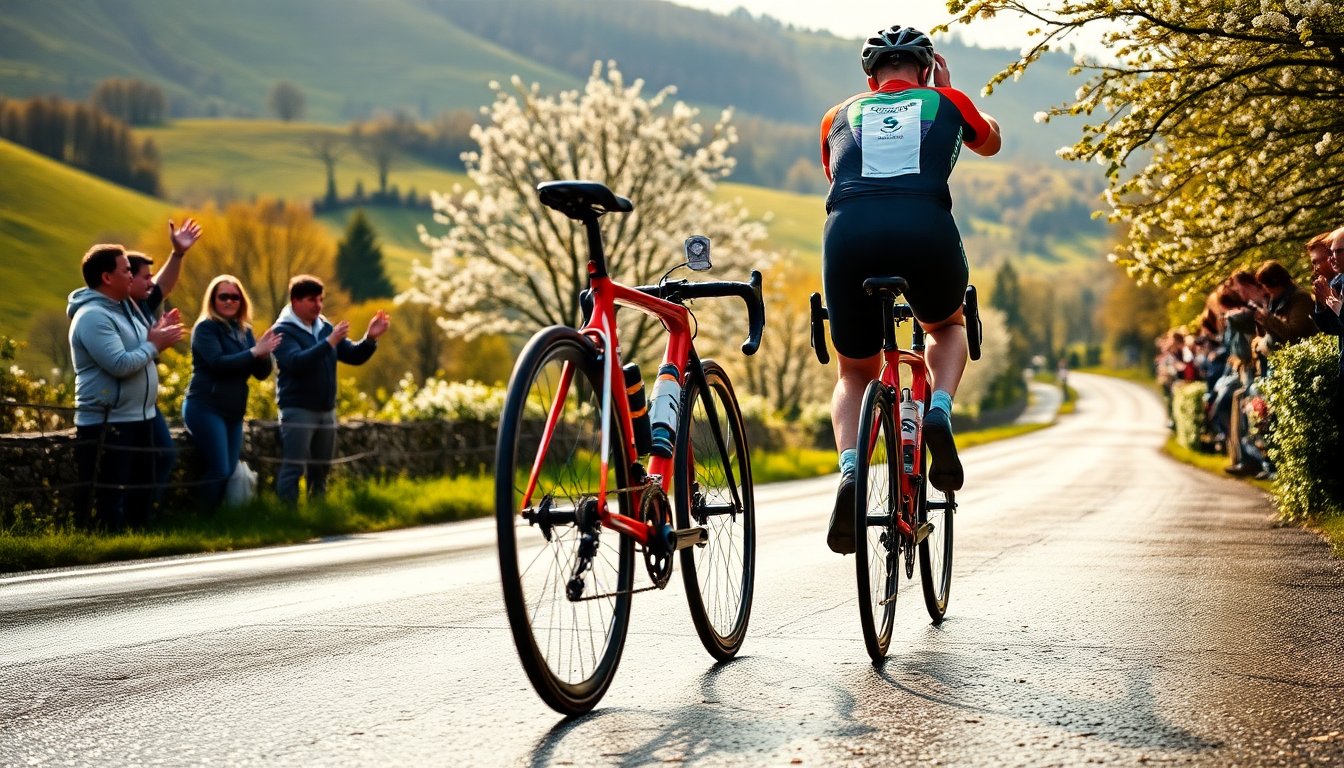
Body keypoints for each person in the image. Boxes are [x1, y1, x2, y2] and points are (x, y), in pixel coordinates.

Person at [818, 25, 1001, 554]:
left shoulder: (836, 115)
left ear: (870, 77)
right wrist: (949, 92)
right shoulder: (945, 100)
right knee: (945, 325)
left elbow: (834, 174)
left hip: (849, 235)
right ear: (925, 69)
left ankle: (852, 470)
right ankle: (939, 407)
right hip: (926, 228)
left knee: (855, 372)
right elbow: (991, 141)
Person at [67, 245, 184, 530]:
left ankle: (135, 546)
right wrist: (154, 343)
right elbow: (119, 364)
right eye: (126, 270)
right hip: (109, 421)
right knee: (111, 497)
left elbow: (141, 350)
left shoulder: (123, 309)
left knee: (139, 493)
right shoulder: (93, 316)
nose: (131, 275)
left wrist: (157, 334)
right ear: (107, 277)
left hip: (138, 416)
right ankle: (106, 552)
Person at [272, 275, 390, 504]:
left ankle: (319, 513)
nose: (318, 305)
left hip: (326, 410)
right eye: (311, 300)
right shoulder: (282, 331)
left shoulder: (324, 327)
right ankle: (287, 517)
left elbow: (353, 356)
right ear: (295, 301)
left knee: (321, 469)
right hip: (297, 409)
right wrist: (329, 342)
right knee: (293, 467)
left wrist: (370, 338)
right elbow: (296, 362)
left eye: (320, 300)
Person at [125, 218, 203, 513]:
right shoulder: (117, 309)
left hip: (147, 403)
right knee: (140, 462)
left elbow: (163, 287)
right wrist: (154, 338)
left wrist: (179, 254)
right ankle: (131, 520)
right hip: (127, 403)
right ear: (126, 279)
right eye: (145, 276)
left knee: (163, 455)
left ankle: (144, 516)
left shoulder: (141, 304)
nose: (150, 282)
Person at [182, 276, 281, 510]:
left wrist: (264, 355)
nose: (229, 301)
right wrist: (255, 351)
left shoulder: (244, 331)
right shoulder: (206, 328)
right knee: (220, 469)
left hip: (233, 412)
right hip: (205, 406)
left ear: (242, 301)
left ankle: (219, 517)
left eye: (234, 297)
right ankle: (202, 519)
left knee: (228, 467)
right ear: (213, 300)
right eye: (223, 296)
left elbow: (260, 374)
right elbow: (218, 363)